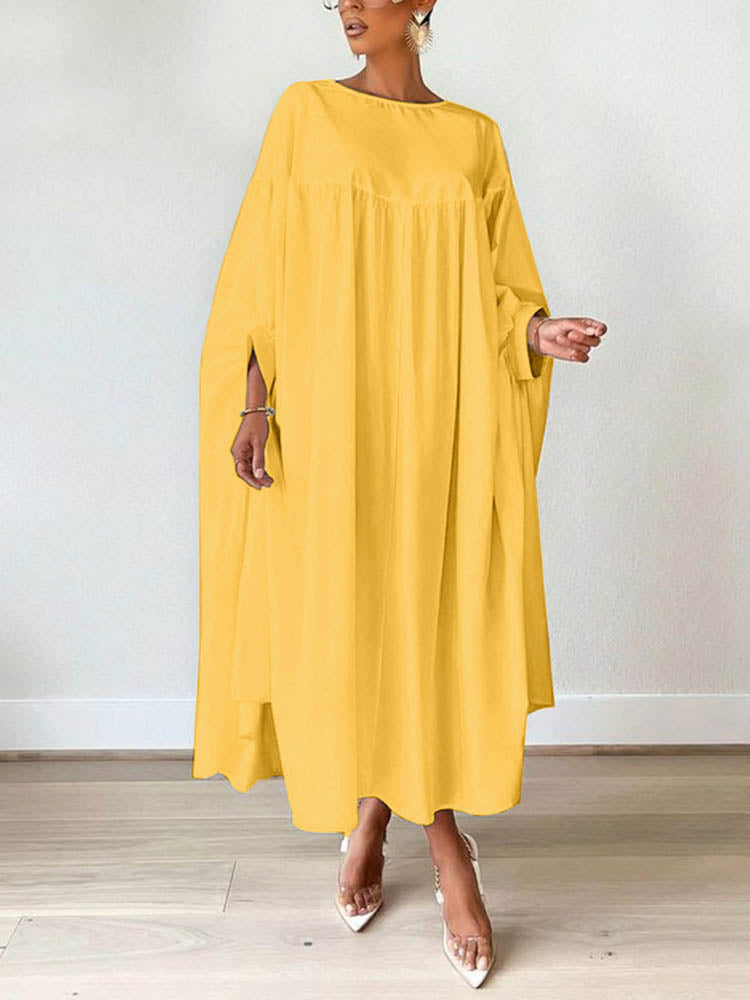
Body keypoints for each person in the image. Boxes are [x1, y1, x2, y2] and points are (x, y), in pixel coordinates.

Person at [193, 0, 607, 986]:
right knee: (354, 617)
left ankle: (421, 831)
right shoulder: (306, 113)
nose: (346, 6)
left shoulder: (474, 139)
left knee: (427, 617)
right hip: (331, 420)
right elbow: (258, 278)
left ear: (420, 3)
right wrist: (255, 405)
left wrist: (536, 334)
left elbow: (501, 290)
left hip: (440, 421)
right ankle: (398, 822)